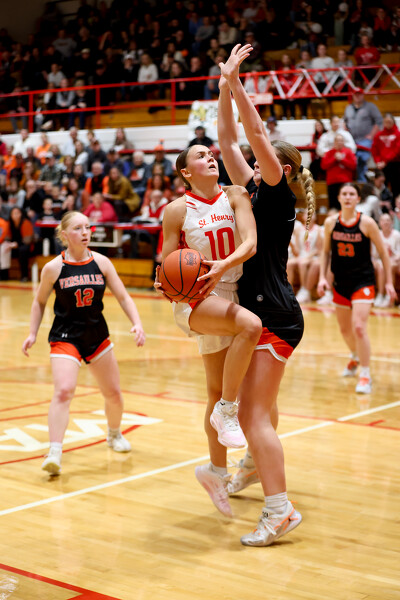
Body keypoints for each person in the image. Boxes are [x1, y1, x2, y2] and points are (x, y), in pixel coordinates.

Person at [213, 44, 316, 546]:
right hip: (266, 309)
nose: (253, 163)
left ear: (283, 168)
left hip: (274, 312)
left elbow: (253, 133)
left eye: (263, 160)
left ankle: (279, 510)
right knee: (260, 409)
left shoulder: (275, 191)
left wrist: (238, 84)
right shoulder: (254, 189)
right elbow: (229, 139)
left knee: (254, 415)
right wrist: (222, 87)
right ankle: (256, 465)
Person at [156, 142, 263, 500]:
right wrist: (163, 282)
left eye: (211, 154)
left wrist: (223, 266)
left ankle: (216, 471)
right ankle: (228, 412)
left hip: (232, 289)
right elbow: (167, 262)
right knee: (250, 326)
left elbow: (250, 244)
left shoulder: (235, 195)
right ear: (186, 172)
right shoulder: (176, 210)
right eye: (200, 156)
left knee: (215, 390)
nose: (210, 157)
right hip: (199, 296)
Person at [22, 211, 145, 475]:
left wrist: (137, 322)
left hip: (96, 334)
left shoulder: (102, 262)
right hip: (66, 336)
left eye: (88, 227)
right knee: (64, 391)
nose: (85, 232)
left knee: (113, 393)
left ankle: (114, 434)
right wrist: (32, 333)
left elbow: (123, 297)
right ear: (65, 234)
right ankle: (54, 452)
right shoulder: (53, 268)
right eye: (78, 228)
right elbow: (39, 301)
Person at [318, 183, 396, 394]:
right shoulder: (331, 223)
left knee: (359, 327)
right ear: (339, 198)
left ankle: (365, 374)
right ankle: (354, 356)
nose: (348, 197)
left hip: (363, 281)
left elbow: (383, 253)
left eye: (352, 194)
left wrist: (389, 282)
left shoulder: (367, 223)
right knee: (345, 330)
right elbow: (325, 253)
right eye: (344, 194)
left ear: (358, 198)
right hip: (340, 282)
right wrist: (322, 278)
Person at [343, 88, 383, 183]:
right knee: (347, 158)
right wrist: (345, 134)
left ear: (363, 95)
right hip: (351, 140)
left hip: (365, 140)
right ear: (353, 96)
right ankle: (349, 181)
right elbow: (344, 122)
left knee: (361, 158)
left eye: (359, 94)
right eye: (355, 94)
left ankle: (362, 181)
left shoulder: (370, 107)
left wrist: (371, 135)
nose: (357, 96)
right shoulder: (348, 108)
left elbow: (379, 122)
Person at [321, 133, 357, 210]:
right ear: (334, 142)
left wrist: (342, 159)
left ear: (343, 142)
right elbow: (323, 166)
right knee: (333, 206)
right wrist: (334, 159)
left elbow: (353, 165)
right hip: (332, 183)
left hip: (345, 182)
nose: (339, 142)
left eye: (341, 140)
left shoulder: (348, 152)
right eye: (337, 141)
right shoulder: (329, 153)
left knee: (345, 205)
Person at [373, 213, 400, 307]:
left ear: (392, 222)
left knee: (389, 265)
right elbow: (374, 255)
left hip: (394, 261)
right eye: (383, 220)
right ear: (379, 223)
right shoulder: (377, 235)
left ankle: (389, 296)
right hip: (379, 261)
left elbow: (399, 253)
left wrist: (392, 259)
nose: (385, 222)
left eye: (388, 220)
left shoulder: (397, 235)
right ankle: (380, 295)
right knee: (381, 266)